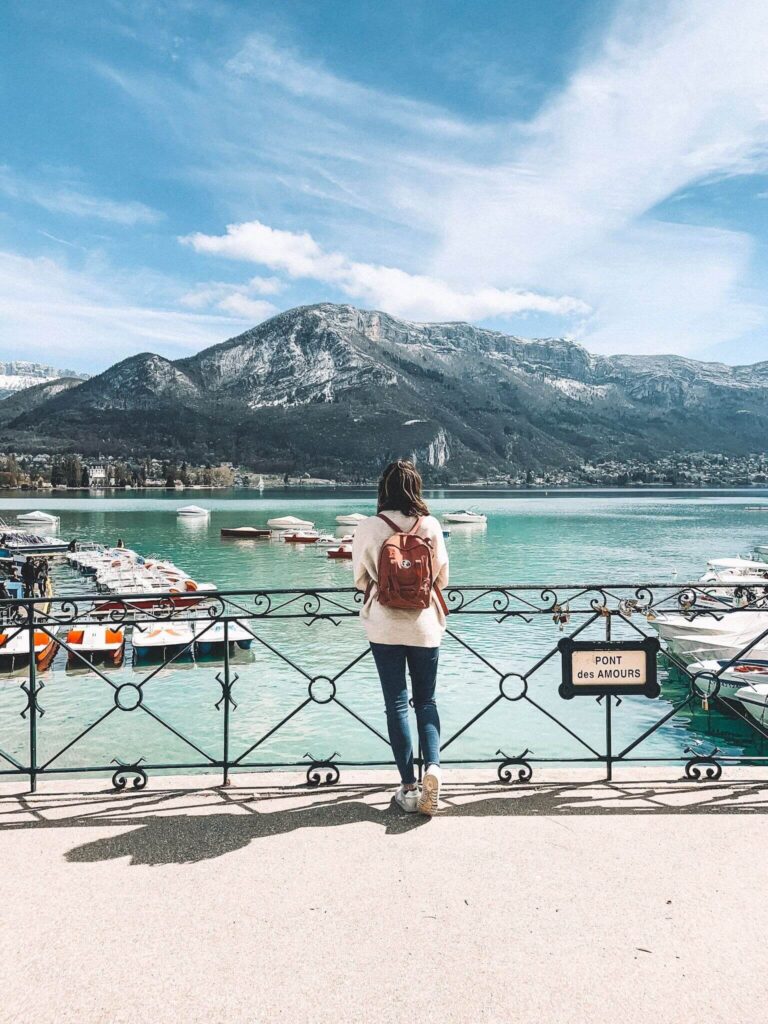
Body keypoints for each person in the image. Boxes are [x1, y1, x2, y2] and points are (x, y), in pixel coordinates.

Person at [351, 460, 449, 816]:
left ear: (383, 489)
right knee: (426, 701)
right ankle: (433, 769)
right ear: (417, 488)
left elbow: (360, 579)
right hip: (425, 626)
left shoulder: (369, 526)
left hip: (384, 624)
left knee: (396, 703)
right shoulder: (431, 526)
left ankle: (408, 787)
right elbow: (442, 578)